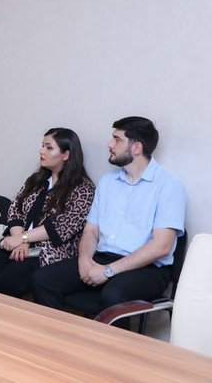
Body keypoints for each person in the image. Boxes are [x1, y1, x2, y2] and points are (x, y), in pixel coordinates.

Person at [32, 117, 185, 315]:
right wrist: (84, 260)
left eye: (117, 139)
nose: (110, 144)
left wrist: (108, 271)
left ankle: (109, 338)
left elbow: (161, 247)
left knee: (114, 295)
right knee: (43, 279)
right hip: (102, 258)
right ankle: (61, 333)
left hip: (147, 268)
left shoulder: (168, 185)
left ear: (136, 147)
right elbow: (91, 230)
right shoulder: (108, 181)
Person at [0, 128, 95, 297]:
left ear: (66, 155)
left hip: (48, 252)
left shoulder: (83, 188)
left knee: (6, 283)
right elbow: (15, 209)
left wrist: (23, 239)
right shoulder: (36, 180)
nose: (42, 151)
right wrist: (20, 240)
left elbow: (62, 227)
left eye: (49, 148)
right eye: (42, 146)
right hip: (17, 241)